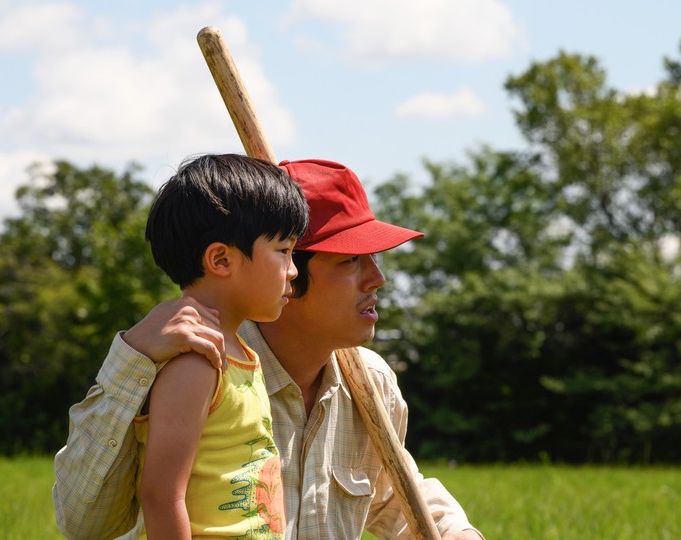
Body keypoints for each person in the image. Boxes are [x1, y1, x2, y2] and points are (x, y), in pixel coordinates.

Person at [53, 158, 484, 540]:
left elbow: (392, 492)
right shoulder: (193, 362)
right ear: (291, 274)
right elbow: (85, 523)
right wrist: (131, 359)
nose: (378, 279)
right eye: (350, 260)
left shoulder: (371, 383)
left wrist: (454, 531)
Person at [133, 153, 309, 538]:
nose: (294, 270)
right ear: (221, 259)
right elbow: (161, 494)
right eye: (283, 251)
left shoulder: (244, 355)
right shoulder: (196, 363)